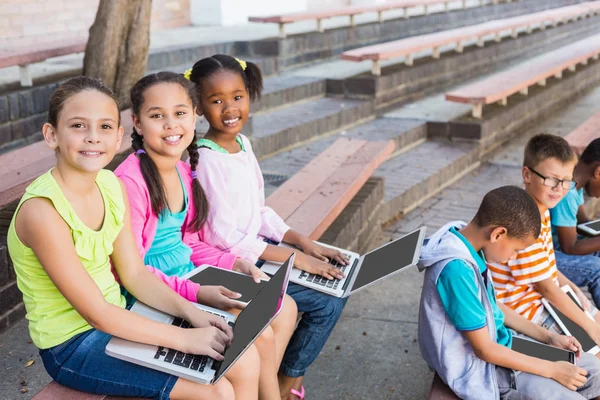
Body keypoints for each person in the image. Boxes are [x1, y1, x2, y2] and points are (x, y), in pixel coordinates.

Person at [7, 76, 260, 399]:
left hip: (122, 317)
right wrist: (184, 339)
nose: (94, 138)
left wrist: (191, 311)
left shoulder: (110, 185)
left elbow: (134, 273)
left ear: (119, 137)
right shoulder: (43, 211)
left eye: (105, 127)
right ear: (51, 135)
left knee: (243, 358)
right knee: (214, 391)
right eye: (78, 126)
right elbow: (95, 312)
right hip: (74, 346)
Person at [114, 71, 298, 400]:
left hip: (189, 275)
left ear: (195, 115)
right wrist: (197, 292)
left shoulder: (184, 171)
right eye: (157, 116)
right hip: (154, 292)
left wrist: (234, 263)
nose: (171, 125)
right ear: (137, 123)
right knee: (257, 338)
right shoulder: (131, 181)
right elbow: (132, 269)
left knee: (284, 308)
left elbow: (189, 244)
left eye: (180, 113)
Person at [187, 54, 348, 400]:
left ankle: (282, 385)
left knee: (334, 293)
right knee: (326, 303)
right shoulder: (208, 159)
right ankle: (278, 388)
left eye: (237, 97)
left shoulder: (242, 145)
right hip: (228, 264)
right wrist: (296, 261)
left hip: (256, 253)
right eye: (216, 100)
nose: (229, 108)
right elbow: (224, 238)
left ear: (249, 94)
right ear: (199, 107)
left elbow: (258, 211)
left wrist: (302, 243)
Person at [419, 185, 600, 400]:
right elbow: (484, 350)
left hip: (508, 345)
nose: (513, 258)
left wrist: (549, 337)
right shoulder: (456, 270)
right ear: (498, 234)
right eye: (515, 250)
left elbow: (494, 308)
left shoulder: (467, 242)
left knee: (594, 371)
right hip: (485, 371)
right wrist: (552, 370)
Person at [488, 134, 600, 345]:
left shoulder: (542, 210)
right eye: (552, 179)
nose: (559, 189)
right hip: (527, 311)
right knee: (595, 347)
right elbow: (546, 288)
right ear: (527, 175)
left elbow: (547, 268)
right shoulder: (523, 220)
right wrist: (590, 327)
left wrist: (572, 289)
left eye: (566, 181)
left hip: (541, 299)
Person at [551, 138, 600, 308]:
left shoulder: (575, 184)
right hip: (546, 254)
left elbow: (583, 224)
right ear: (599, 172)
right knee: (597, 269)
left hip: (555, 246)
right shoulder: (568, 192)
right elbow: (570, 247)